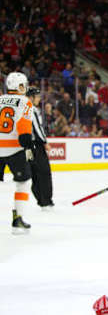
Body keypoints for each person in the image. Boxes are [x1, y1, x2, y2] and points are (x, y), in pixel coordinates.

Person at [0, 72, 34, 234]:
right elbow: (24, 129)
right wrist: (29, 148)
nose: (25, 88)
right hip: (14, 149)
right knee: (23, 182)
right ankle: (17, 219)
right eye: (23, 85)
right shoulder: (25, 102)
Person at [26, 87, 54, 211]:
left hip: (27, 146)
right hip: (36, 145)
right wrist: (44, 142)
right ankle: (45, 201)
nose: (39, 99)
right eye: (37, 97)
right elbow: (37, 128)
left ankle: (41, 199)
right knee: (43, 172)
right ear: (31, 97)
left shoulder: (22, 109)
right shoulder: (32, 109)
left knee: (35, 174)